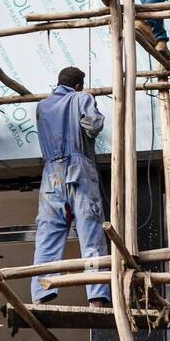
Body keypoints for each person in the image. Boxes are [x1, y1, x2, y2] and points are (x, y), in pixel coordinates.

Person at [31, 66, 111, 308]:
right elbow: (93, 126)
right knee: (91, 235)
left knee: (48, 236)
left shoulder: (42, 106)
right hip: (78, 169)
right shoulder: (81, 97)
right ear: (78, 85)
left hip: (51, 176)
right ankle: (96, 298)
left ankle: (41, 296)